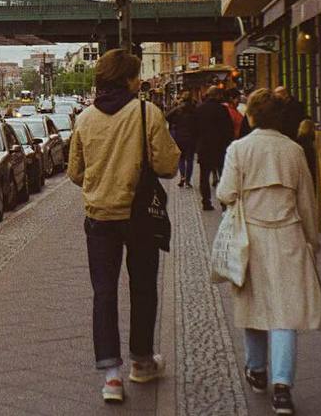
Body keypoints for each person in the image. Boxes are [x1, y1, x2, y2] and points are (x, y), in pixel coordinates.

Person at [67, 49, 179, 404]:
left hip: (100, 217)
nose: (139, 81)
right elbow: (167, 165)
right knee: (143, 287)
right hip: (139, 215)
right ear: (128, 80)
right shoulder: (147, 113)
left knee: (104, 293)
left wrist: (101, 179)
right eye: (136, 76)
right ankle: (142, 361)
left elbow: (75, 172)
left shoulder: (85, 119)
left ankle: (112, 377)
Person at [216, 89, 321, 416]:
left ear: (251, 116)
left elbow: (225, 192)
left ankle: (256, 369)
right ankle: (282, 386)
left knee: (254, 304)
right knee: (286, 311)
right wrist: (312, 241)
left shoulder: (239, 149)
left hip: (250, 235)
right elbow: (307, 201)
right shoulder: (293, 150)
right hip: (289, 235)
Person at [194, 86, 234, 211]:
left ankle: (206, 202)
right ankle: (223, 203)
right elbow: (229, 129)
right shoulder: (222, 109)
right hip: (220, 147)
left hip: (204, 147)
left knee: (204, 176)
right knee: (223, 175)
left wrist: (197, 144)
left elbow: (194, 129)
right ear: (217, 95)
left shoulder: (199, 109)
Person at [166, 91, 198, 191]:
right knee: (190, 160)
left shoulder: (178, 109)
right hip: (191, 137)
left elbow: (167, 116)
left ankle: (182, 176)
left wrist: (174, 123)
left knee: (181, 158)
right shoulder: (194, 109)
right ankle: (188, 180)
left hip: (179, 136)